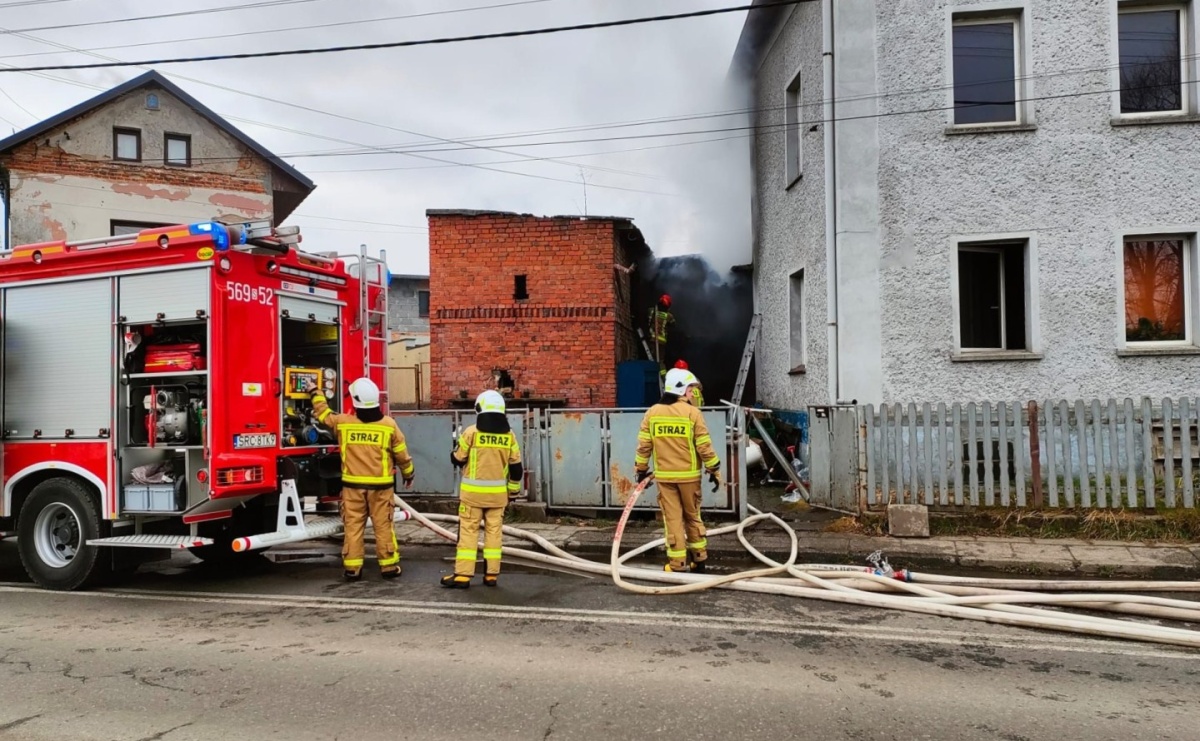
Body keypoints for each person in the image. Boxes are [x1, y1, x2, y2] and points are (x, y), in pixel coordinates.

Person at [311, 377, 414, 581]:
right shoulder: (389, 425)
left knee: (353, 527)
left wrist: (315, 392)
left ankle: (352, 568)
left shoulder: (343, 423)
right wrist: (408, 474)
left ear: (356, 402)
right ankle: (388, 567)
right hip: (381, 489)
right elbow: (402, 454)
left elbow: (323, 414)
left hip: (352, 488)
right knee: (383, 526)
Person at [634, 368, 721, 573]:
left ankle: (676, 565)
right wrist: (714, 468)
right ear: (681, 389)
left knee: (672, 519)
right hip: (690, 477)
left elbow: (644, 446)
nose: (692, 393)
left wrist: (641, 470)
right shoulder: (693, 413)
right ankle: (699, 560)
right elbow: (704, 446)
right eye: (690, 389)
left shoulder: (652, 413)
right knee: (693, 516)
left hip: (665, 477)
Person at [442, 390, 524, 589]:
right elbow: (516, 469)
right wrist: (513, 492)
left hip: (472, 497)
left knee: (468, 533)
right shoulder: (509, 436)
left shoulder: (471, 432)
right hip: (497, 498)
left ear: (480, 408)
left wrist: (453, 453)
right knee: (494, 534)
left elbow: (458, 458)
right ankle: (491, 575)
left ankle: (462, 576)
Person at [648, 294, 675, 378]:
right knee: (660, 361)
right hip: (662, 341)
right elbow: (673, 324)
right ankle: (664, 377)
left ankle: (653, 375)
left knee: (652, 358)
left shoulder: (651, 311)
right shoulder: (669, 316)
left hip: (652, 339)